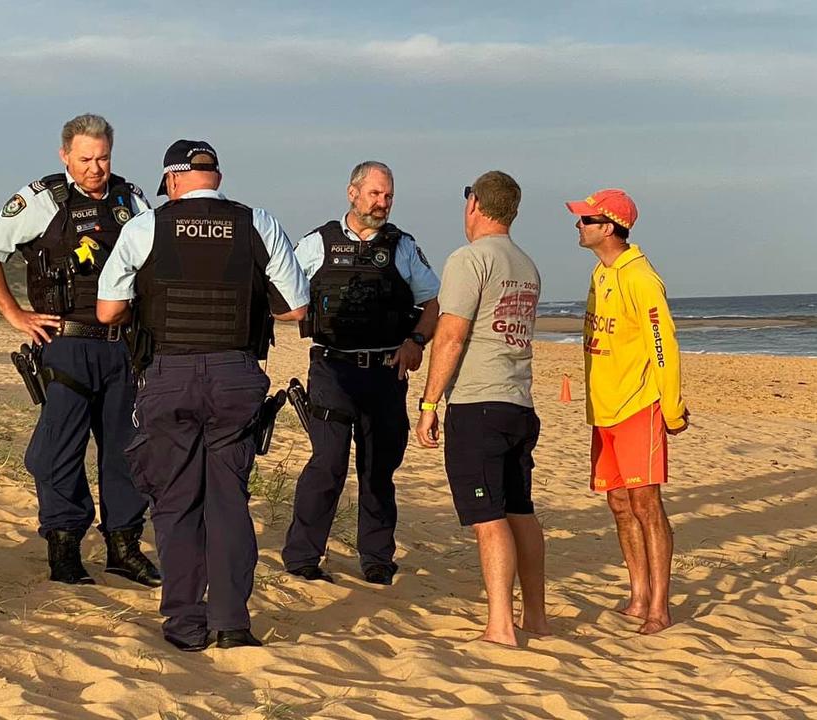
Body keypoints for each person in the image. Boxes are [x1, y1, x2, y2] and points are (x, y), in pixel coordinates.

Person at [96, 140, 309, 652]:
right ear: (216, 177)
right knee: (228, 501)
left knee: (175, 503)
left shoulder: (146, 226)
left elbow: (106, 311)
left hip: (169, 376)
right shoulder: (257, 221)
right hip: (236, 376)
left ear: (171, 180)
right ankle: (232, 622)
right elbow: (296, 310)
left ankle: (185, 626)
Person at [0, 114, 160, 587]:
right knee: (60, 452)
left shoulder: (132, 200)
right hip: (66, 345)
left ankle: (123, 546)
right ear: (64, 156)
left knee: (126, 452)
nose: (95, 168)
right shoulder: (41, 200)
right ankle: (65, 545)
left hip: (123, 349)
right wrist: (15, 315)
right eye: (85, 159)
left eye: (103, 158)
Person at [281, 161, 441, 586]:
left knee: (378, 471)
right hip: (332, 370)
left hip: (386, 374)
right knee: (327, 466)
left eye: (388, 196)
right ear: (352, 193)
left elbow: (432, 304)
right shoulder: (318, 243)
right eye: (374, 194)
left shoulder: (402, 246)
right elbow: (282, 291)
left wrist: (416, 342)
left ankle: (376, 559)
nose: (382, 203)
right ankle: (302, 557)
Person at [415, 171, 550, 646]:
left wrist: (430, 401)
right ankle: (535, 616)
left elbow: (451, 334)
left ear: (475, 204)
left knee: (488, 516)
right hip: (518, 402)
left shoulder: (470, 259)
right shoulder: (526, 264)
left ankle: (500, 627)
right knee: (519, 511)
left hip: (479, 401)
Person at [568, 188, 688, 635]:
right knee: (618, 503)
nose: (578, 227)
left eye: (585, 220)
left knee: (646, 503)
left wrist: (672, 408)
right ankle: (637, 596)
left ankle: (660, 605)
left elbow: (664, 347)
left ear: (609, 226)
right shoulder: (601, 275)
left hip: (639, 406)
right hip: (604, 411)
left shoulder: (641, 278)